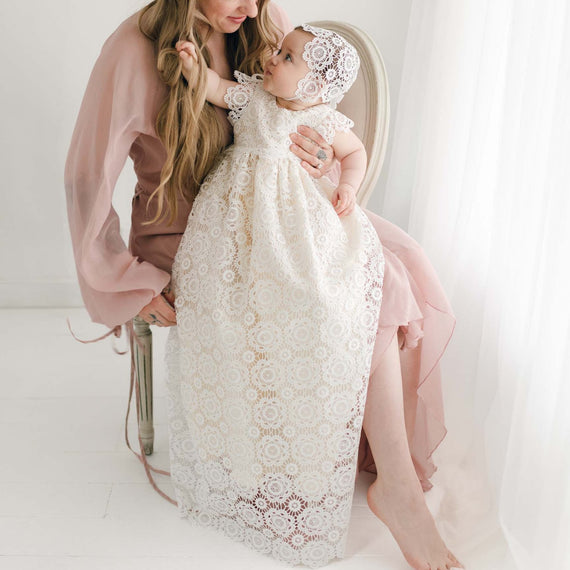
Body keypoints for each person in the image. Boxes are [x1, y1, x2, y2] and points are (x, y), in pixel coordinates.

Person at [64, 1, 462, 569]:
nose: (253, 8)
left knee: (390, 268)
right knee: (333, 293)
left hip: (276, 215)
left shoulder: (256, 24)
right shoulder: (131, 50)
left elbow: (310, 116)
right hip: (187, 229)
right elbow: (84, 178)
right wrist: (124, 280)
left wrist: (322, 156)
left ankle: (376, 471)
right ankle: (369, 478)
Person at [167, 24, 385, 566]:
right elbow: (217, 90)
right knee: (226, 301)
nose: (273, 58)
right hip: (233, 221)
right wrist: (196, 70)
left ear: (317, 86)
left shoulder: (321, 119)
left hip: (288, 225)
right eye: (280, 49)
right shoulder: (257, 95)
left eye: (287, 57)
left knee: (315, 297)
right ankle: (232, 450)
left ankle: (294, 452)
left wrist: (347, 188)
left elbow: (353, 152)